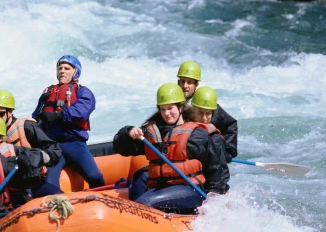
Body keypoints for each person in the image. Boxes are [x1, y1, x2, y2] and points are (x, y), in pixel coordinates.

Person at [113, 83, 229, 214]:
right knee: (139, 181)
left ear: (180, 107)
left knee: (144, 203)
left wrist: (214, 196)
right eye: (162, 109)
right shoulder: (152, 132)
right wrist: (127, 133)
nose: (166, 113)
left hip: (190, 190)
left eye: (170, 108)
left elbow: (215, 167)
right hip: (161, 188)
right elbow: (122, 149)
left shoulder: (196, 135)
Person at [32, 55, 105, 190]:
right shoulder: (48, 93)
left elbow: (82, 110)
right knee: (50, 183)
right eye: (60, 68)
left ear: (75, 72)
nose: (62, 71)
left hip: (74, 143)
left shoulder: (83, 91)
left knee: (94, 176)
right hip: (53, 146)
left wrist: (58, 116)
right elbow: (36, 117)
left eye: (67, 68)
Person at [176, 60, 238, 162]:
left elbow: (230, 124)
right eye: (182, 81)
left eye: (189, 82)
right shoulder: (173, 105)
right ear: (178, 82)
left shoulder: (205, 102)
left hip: (205, 155)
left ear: (196, 85)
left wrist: (228, 150)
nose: (185, 86)